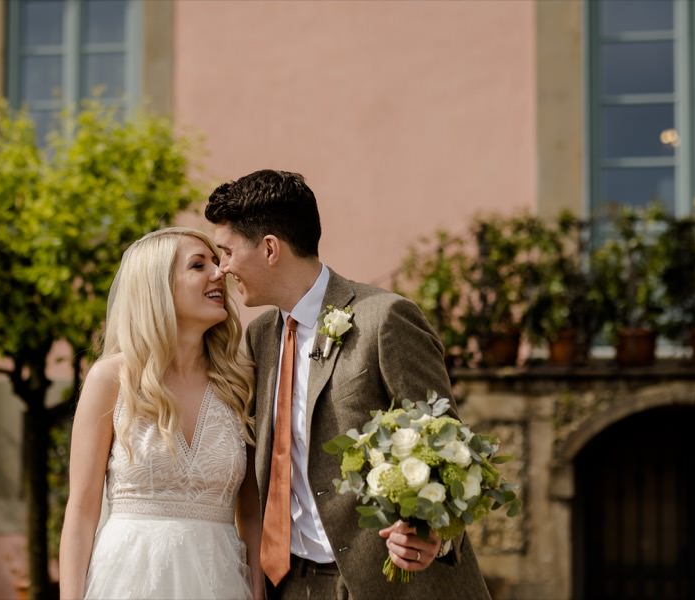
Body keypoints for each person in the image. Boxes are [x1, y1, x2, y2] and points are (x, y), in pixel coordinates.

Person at [205, 170, 492, 599]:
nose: (222, 268)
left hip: (387, 584)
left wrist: (433, 534)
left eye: (227, 252)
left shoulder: (384, 319)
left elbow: (449, 446)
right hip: (287, 584)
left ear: (269, 249)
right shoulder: (259, 337)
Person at [58, 227, 264, 600]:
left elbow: (250, 510)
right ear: (158, 287)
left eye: (216, 262)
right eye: (198, 265)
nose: (219, 273)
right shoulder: (111, 379)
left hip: (220, 582)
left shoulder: (240, 382)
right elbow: (81, 509)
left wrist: (257, 590)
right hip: (127, 581)